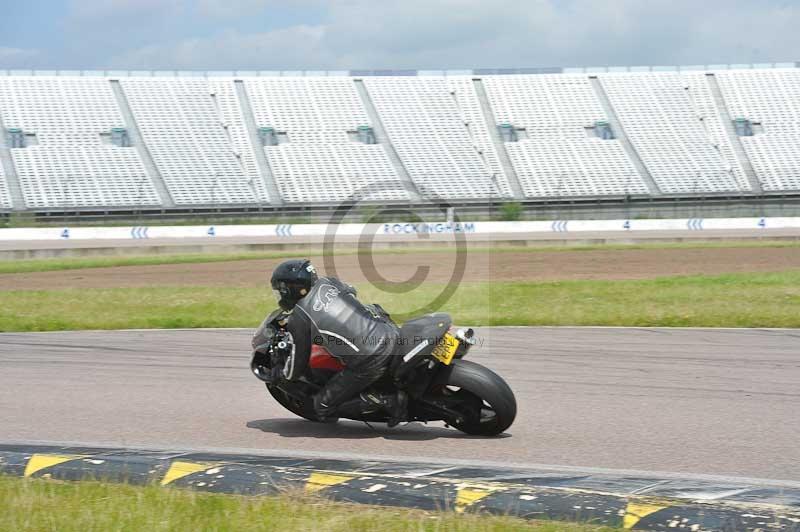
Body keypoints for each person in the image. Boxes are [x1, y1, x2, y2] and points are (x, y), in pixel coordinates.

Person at [270, 259, 407, 426]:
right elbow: (352, 291)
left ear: (291, 289)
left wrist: (281, 374)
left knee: (322, 405)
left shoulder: (299, 318)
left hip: (369, 360)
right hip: (389, 333)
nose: (281, 295)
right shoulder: (329, 282)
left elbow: (297, 366)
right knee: (372, 307)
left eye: (281, 290)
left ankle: (387, 400)